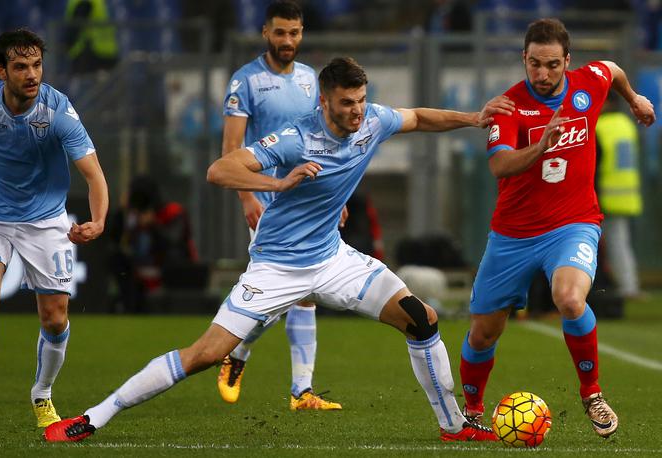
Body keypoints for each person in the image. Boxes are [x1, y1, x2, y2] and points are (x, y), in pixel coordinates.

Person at [43, 56, 513, 443]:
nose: (357, 111)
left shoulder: (372, 120)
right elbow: (219, 171)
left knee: (422, 318)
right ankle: (94, 417)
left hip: (333, 260)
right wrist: (277, 182)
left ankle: (455, 426)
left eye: (361, 101)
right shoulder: (294, 138)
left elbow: (416, 117)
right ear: (324, 102)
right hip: (276, 267)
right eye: (347, 103)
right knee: (205, 354)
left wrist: (474, 118)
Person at [459, 18, 655, 439]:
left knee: (568, 298)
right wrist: (541, 144)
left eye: (551, 65)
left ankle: (592, 393)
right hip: (512, 234)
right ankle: (472, 409)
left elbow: (614, 68)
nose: (543, 74)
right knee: (483, 332)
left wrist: (635, 98)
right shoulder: (509, 107)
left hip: (574, 223)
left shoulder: (589, 82)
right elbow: (500, 164)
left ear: (567, 61)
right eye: (534, 64)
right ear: (523, 60)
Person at [0, 29, 109, 427]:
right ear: (1, 71)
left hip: (46, 219)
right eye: (20, 67)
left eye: (36, 65)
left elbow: (95, 176)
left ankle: (43, 394)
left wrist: (98, 221)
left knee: (55, 319)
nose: (32, 74)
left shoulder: (58, 112)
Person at [217, 0, 341, 410]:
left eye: (294, 33)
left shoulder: (310, 79)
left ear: (302, 34)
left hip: (309, 201)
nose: (287, 40)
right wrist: (246, 196)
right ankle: (237, 354)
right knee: (276, 294)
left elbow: (321, 143)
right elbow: (231, 150)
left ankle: (301, 391)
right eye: (280, 33)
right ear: (265, 33)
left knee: (304, 294)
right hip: (268, 201)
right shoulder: (245, 81)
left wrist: (332, 197)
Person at [108, 175, 199, 313]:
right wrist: (122, 211)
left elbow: (174, 241)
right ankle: (127, 306)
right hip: (141, 268)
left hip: (175, 268)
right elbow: (114, 238)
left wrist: (154, 224)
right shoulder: (133, 216)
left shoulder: (173, 211)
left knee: (173, 255)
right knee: (117, 259)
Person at [596, 95, 643, 299]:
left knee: (608, 243)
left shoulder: (599, 126)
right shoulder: (626, 125)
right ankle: (628, 284)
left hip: (604, 193)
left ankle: (625, 287)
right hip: (627, 193)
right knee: (620, 242)